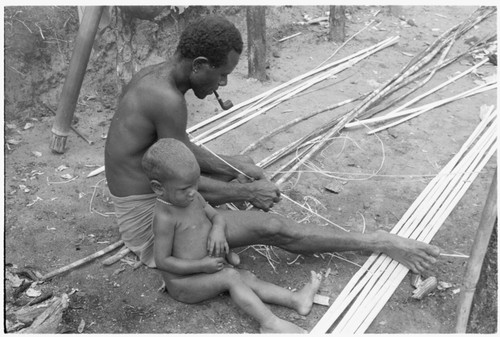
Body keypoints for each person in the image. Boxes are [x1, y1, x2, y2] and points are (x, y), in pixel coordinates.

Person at [104, 15, 440, 272]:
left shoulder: (155, 77)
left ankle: (232, 203)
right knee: (273, 227)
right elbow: (180, 178)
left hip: (159, 192)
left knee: (239, 169)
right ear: (199, 65)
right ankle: (377, 242)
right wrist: (248, 193)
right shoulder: (167, 100)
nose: (223, 82)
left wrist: (234, 166)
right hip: (150, 218)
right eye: (222, 74)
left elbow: (179, 151)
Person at [143, 138, 322, 334]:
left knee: (247, 278)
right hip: (184, 283)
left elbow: (215, 216)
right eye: (185, 188)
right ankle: (270, 323)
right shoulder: (165, 218)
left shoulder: (193, 197)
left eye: (195, 184)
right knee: (231, 277)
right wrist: (201, 265)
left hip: (207, 269)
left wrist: (218, 230)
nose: (193, 192)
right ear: (158, 188)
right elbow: (163, 261)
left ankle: (296, 300)